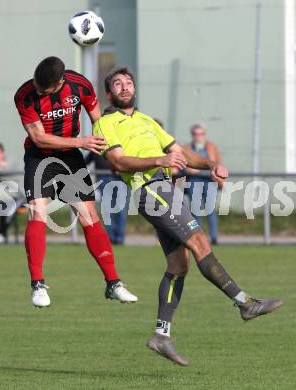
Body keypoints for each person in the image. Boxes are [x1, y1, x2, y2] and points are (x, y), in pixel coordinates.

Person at [93, 66, 283, 366]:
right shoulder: (105, 123)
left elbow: (179, 151)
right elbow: (118, 161)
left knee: (179, 265)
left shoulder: (146, 121)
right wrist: (158, 159)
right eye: (118, 84)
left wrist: (210, 164)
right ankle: (245, 303)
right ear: (109, 93)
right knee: (199, 242)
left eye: (129, 82)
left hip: (164, 189)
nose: (125, 87)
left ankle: (161, 335)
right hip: (149, 189)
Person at [14, 56, 137, 308]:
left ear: (60, 82)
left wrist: (114, 152)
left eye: (43, 89)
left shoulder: (80, 85)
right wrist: (81, 142)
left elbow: (98, 122)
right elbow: (39, 138)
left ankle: (114, 284)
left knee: (89, 217)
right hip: (40, 158)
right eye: (37, 86)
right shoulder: (25, 95)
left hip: (70, 159)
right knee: (37, 212)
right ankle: (37, 284)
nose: (38, 91)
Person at [185, 124, 221, 245]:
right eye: (196, 134)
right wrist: (190, 169)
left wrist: (220, 180)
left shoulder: (211, 147)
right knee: (195, 210)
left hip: (209, 181)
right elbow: (185, 166)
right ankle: (198, 237)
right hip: (194, 181)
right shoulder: (187, 148)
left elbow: (217, 163)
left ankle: (213, 237)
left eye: (201, 134)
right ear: (192, 135)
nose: (198, 136)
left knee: (210, 209)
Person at [85, 152, 128, 245]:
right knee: (107, 209)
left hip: (119, 177)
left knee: (120, 208)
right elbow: (86, 161)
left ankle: (119, 238)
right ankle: (111, 238)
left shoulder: (119, 142)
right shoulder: (97, 144)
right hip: (103, 177)